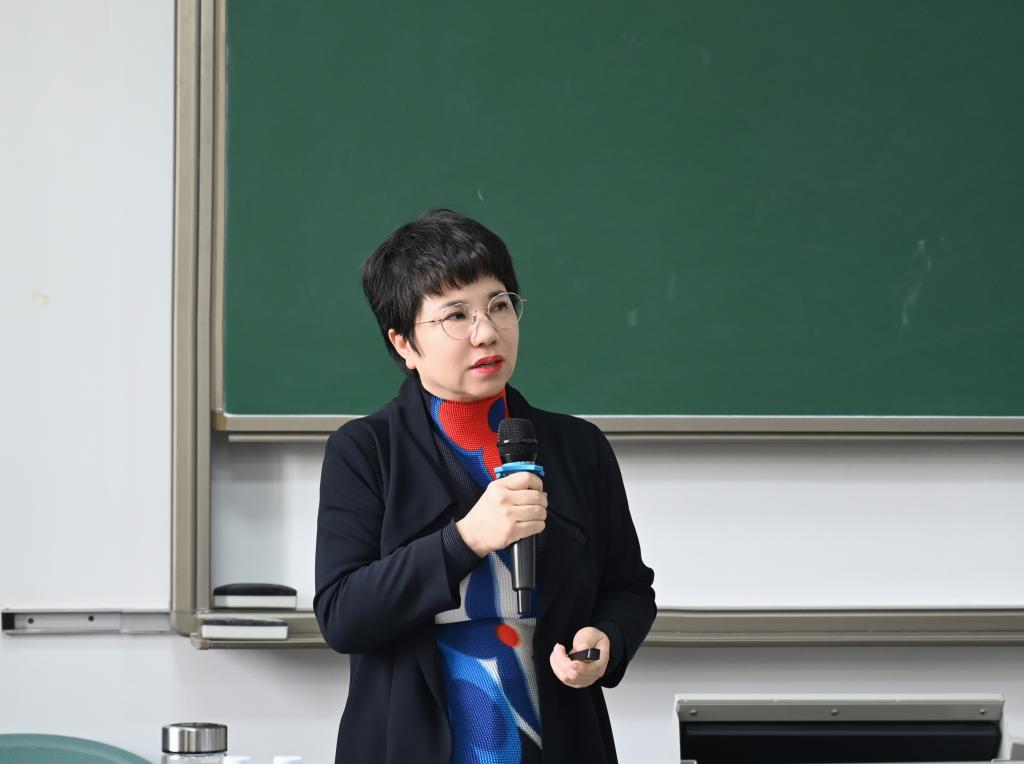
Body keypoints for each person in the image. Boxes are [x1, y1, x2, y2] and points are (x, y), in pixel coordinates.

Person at [314, 209, 656, 764]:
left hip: (560, 741)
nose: (488, 332)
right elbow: (343, 615)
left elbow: (630, 588)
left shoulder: (578, 447)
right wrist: (466, 538)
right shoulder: (365, 451)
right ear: (403, 344)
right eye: (456, 315)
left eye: (499, 304)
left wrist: (608, 639)